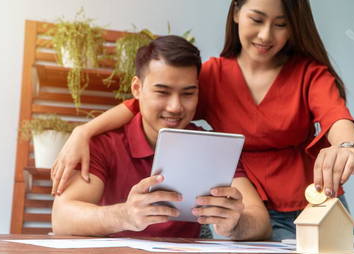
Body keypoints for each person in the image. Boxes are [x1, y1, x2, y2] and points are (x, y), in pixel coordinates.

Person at [51, 0, 354, 241]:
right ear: (236, 13)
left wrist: (347, 146)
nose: (266, 35)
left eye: (281, 24)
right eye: (256, 19)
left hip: (306, 202)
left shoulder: (308, 74)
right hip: (240, 202)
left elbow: (336, 115)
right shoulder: (213, 75)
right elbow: (144, 104)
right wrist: (84, 130)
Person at [51, 35, 272, 240]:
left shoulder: (212, 146)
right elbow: (62, 217)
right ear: (137, 88)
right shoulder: (104, 143)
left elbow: (261, 222)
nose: (175, 107)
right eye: (162, 92)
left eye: (188, 93)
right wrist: (125, 215)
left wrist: (235, 224)